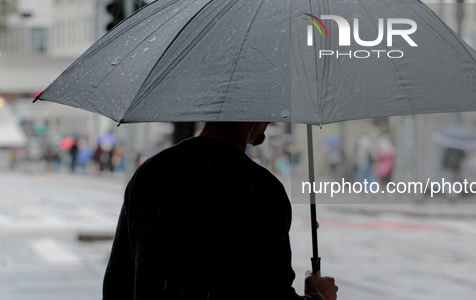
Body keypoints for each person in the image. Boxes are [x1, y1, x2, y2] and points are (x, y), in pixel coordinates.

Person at [103, 122, 338, 300]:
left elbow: (116, 284)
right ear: (252, 111)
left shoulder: (151, 174)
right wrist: (319, 297)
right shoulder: (261, 190)